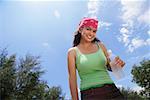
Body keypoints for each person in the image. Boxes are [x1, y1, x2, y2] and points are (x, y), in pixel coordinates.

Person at [67, 17, 125, 100]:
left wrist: (118, 64)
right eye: (88, 29)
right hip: (90, 94)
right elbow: (72, 79)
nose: (91, 33)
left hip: (112, 90)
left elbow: (110, 67)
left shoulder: (101, 46)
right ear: (80, 30)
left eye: (94, 31)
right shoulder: (72, 52)